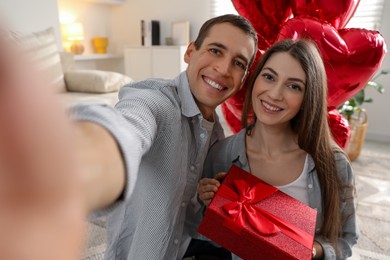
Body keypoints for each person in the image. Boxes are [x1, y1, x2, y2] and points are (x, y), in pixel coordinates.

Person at [0, 14, 258, 260]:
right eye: (215, 50)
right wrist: (68, 172)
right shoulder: (155, 102)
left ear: (244, 77)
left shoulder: (217, 135)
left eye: (238, 63)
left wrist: (207, 201)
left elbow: (188, 221)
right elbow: (127, 128)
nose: (224, 68)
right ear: (190, 52)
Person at [196, 39, 359, 259]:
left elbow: (345, 239)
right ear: (255, 80)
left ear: (308, 97)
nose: (274, 94)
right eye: (269, 77)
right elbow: (209, 244)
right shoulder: (221, 155)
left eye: (294, 86)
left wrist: (313, 251)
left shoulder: (333, 164)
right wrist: (209, 208)